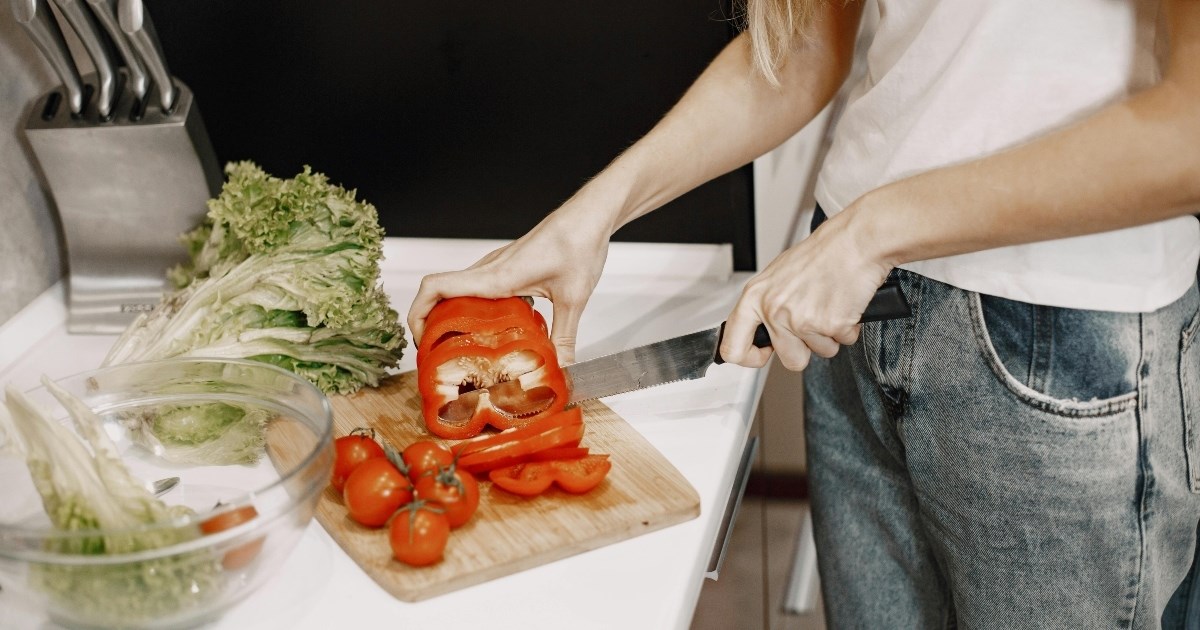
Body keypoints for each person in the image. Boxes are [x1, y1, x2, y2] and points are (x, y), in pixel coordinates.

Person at [409, 1, 1200, 627]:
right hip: (851, 316)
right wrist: (592, 217)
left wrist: (874, 228)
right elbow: (796, 47)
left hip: (1050, 338)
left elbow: (1187, 135)